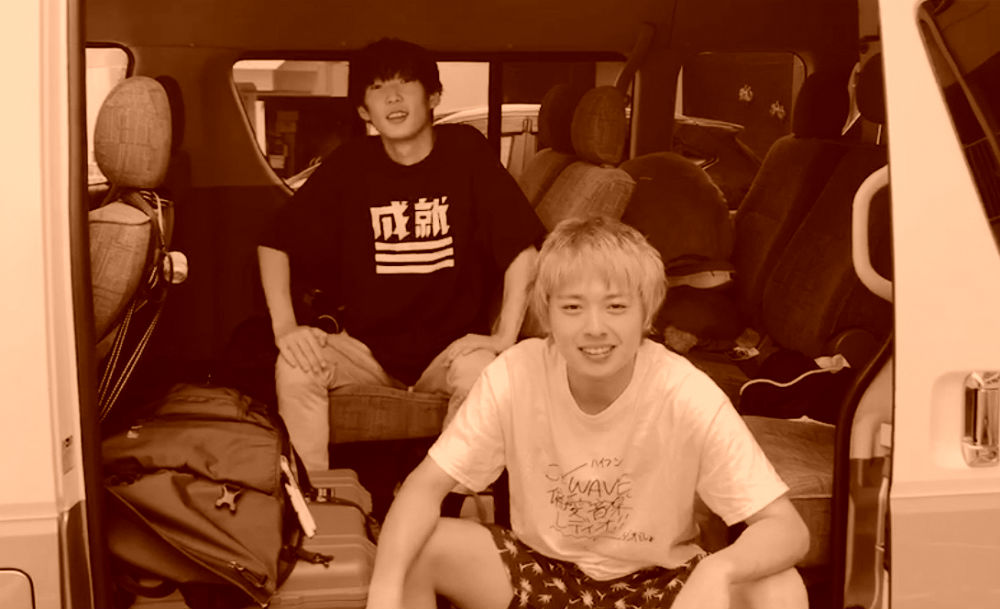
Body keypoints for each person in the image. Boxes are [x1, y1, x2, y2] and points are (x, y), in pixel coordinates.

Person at [365, 215, 810, 609]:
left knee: (778, 586)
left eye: (616, 306)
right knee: (417, 548)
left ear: (647, 313)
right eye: (573, 307)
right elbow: (424, 487)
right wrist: (383, 594)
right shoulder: (515, 374)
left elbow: (787, 528)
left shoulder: (686, 392)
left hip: (661, 583)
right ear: (548, 315)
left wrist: (718, 570)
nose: (594, 327)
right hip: (542, 572)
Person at [257, 38, 544, 471]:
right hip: (365, 352)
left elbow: (523, 248)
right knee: (295, 367)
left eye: (405, 83)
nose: (392, 97)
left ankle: (455, 499)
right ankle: (314, 498)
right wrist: (285, 329)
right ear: (363, 110)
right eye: (377, 87)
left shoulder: (466, 152)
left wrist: (504, 336)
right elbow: (274, 243)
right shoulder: (351, 164)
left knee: (483, 372)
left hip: (449, 352)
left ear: (433, 96)